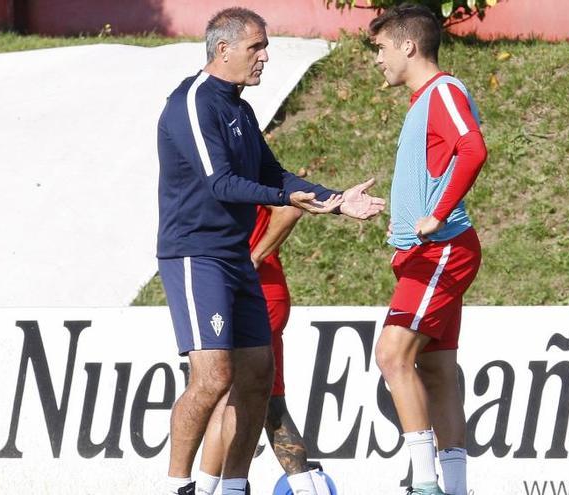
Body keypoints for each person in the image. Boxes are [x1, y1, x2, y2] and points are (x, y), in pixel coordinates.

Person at [156, 7, 385, 495]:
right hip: (197, 255)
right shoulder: (194, 101)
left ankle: (234, 488)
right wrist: (286, 199)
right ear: (223, 50)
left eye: (265, 46)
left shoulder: (238, 107)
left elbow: (272, 175)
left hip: (235, 257)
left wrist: (337, 201)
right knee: (213, 377)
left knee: (258, 377)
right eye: (256, 47)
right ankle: (175, 487)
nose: (265, 56)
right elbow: (219, 182)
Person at [368, 5, 487, 495]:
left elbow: (473, 147)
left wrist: (437, 214)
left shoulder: (444, 91)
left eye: (380, 49)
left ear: (408, 46)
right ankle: (454, 487)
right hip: (428, 253)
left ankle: (424, 484)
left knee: (392, 354)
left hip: (443, 249)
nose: (377, 60)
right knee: (436, 370)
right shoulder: (423, 101)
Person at [193, 205, 332, 495]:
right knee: (271, 400)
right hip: (260, 296)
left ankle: (207, 489)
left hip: (254, 296)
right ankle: (305, 487)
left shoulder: (246, 166)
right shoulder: (235, 169)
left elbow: (288, 212)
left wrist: (255, 256)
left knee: (228, 394)